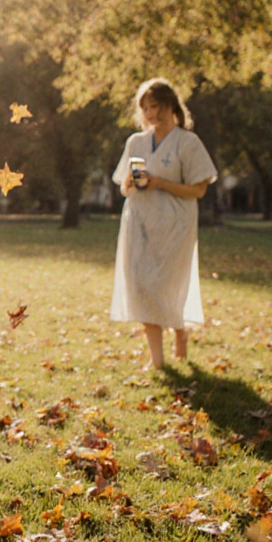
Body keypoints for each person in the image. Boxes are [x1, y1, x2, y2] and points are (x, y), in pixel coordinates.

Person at [110, 78, 218, 368]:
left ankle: (180, 332)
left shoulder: (188, 142)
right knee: (143, 287)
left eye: (154, 106)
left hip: (175, 227)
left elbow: (199, 189)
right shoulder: (136, 142)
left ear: (170, 105)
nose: (149, 113)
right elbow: (123, 187)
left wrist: (160, 183)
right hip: (139, 224)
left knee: (168, 287)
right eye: (144, 108)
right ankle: (157, 360)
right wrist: (132, 183)